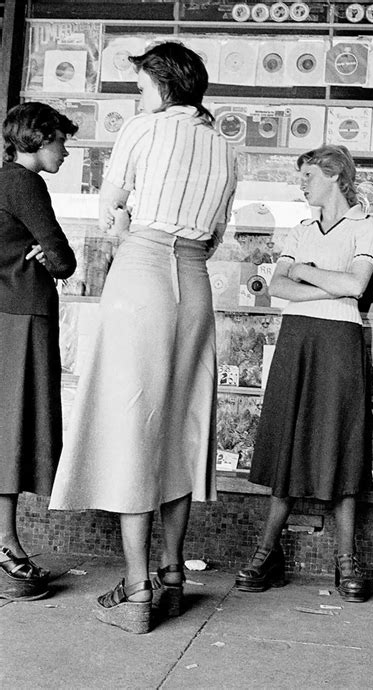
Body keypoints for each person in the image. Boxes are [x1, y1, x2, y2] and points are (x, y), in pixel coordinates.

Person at [50, 42, 237, 634]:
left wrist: (131, 225)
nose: (139, 96)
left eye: (141, 86)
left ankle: (136, 592)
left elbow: (111, 214)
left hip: (144, 270)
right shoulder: (227, 146)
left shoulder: (144, 129)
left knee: (133, 422)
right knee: (182, 425)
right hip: (195, 279)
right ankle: (174, 576)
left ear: (161, 85)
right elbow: (215, 236)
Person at [235, 145, 373, 603]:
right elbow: (277, 286)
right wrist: (320, 277)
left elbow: (355, 287)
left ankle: (346, 561)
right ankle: (267, 552)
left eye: (308, 176)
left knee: (339, 442)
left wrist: (305, 272)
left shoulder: (366, 227)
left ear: (336, 175)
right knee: (289, 442)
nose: (301, 184)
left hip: (340, 343)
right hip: (297, 340)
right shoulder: (300, 229)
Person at [0, 102, 77, 601]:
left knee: (8, 426)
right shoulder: (25, 183)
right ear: (37, 138)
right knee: (15, 428)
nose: (65, 151)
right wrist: (47, 254)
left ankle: (6, 543)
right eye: (60, 141)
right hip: (23, 314)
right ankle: (5, 546)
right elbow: (65, 259)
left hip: (8, 313)